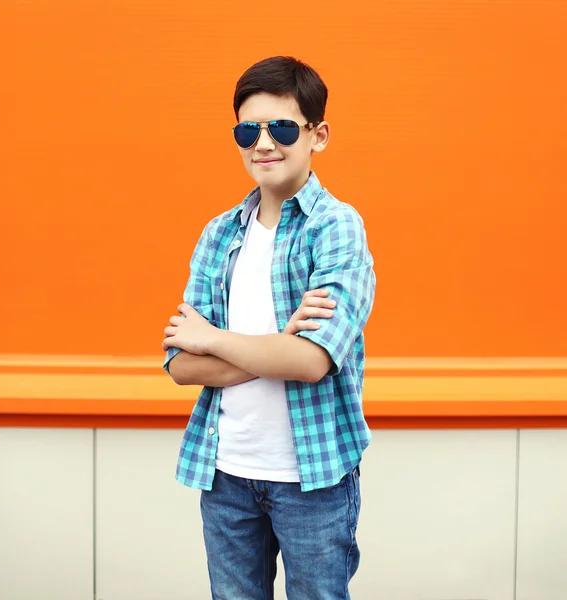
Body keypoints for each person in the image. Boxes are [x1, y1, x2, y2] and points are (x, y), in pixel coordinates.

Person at [162, 56, 376, 600]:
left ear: (317, 134)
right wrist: (279, 344)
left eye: (281, 127)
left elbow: (310, 363)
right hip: (226, 472)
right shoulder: (218, 233)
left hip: (313, 479)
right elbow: (180, 367)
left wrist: (210, 338)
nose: (263, 144)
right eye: (246, 130)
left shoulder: (336, 227)